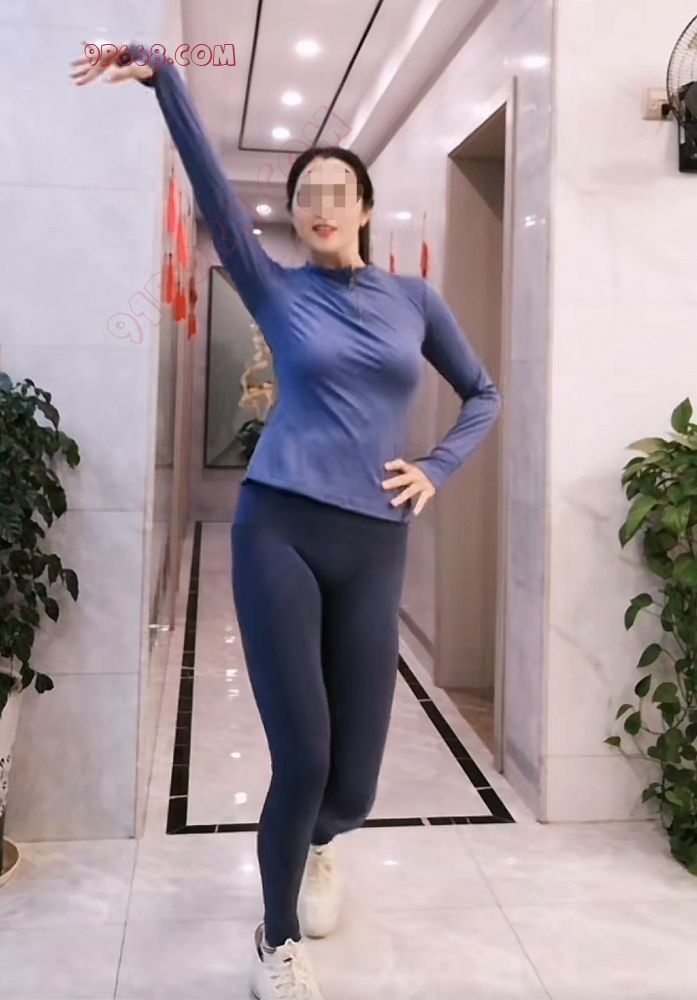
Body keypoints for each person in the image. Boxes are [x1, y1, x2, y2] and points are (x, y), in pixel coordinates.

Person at [71, 40, 502, 1000]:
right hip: (279, 531)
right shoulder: (275, 287)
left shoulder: (413, 301)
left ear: (364, 208)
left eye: (336, 191)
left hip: (375, 542)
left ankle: (319, 844)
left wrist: (436, 466)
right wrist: (162, 75)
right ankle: (276, 939)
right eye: (305, 193)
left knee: (352, 787)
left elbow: (483, 394)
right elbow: (213, 189)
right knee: (302, 755)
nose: (318, 205)